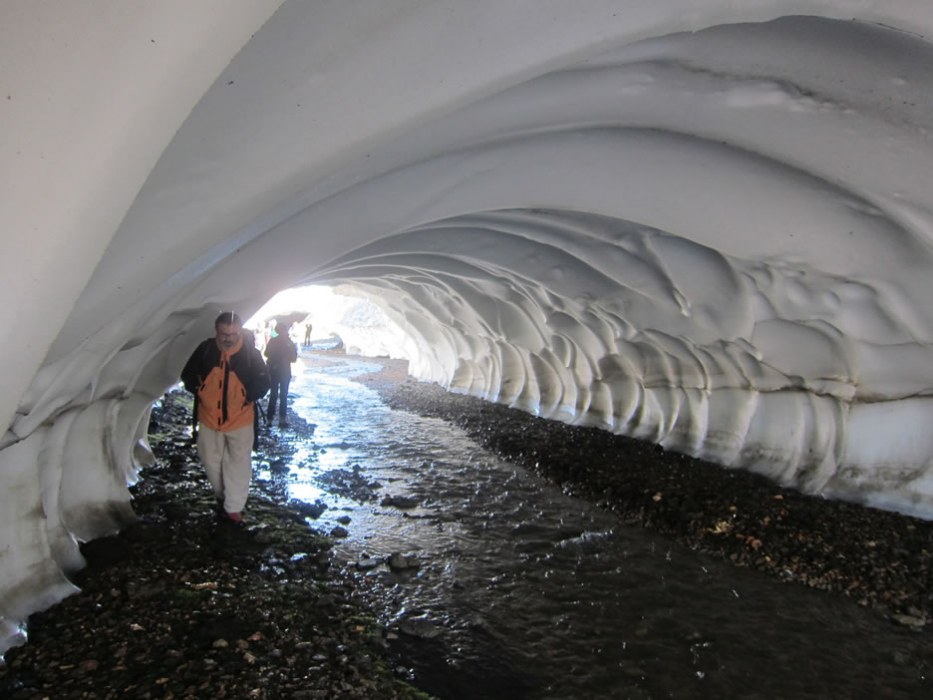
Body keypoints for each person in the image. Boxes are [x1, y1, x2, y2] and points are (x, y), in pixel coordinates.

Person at [181, 312, 270, 524]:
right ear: (217, 332)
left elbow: (264, 381)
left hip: (240, 419)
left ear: (240, 331)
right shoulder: (206, 350)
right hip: (209, 417)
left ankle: (233, 508)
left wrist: (246, 396)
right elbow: (188, 374)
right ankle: (223, 496)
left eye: (233, 334)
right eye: (224, 334)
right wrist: (200, 389)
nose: (229, 338)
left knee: (238, 464)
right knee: (210, 460)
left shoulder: (250, 354)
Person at [265, 321, 298, 428]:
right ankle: (282, 420)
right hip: (285, 371)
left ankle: (269, 420)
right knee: (283, 395)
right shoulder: (289, 342)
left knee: (273, 395)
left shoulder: (272, 341)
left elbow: (266, 353)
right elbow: (294, 359)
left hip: (273, 371)